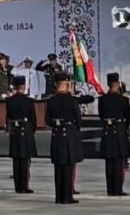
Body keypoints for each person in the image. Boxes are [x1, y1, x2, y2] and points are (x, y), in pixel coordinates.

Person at [46, 73, 82, 204]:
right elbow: (78, 119)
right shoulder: (72, 100)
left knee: (58, 167)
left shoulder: (51, 101)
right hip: (69, 135)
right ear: (66, 84)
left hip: (57, 135)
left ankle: (59, 196)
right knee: (68, 167)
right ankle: (67, 196)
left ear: (56, 84)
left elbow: (48, 120)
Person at [98, 72, 130, 196]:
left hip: (107, 131)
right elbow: (127, 118)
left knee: (109, 162)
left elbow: (101, 116)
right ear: (117, 84)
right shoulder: (123, 100)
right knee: (118, 162)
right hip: (119, 131)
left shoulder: (103, 100)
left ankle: (110, 189)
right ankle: (118, 189)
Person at [6, 75, 36, 194]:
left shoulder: (9, 101)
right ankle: (24, 185)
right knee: (25, 160)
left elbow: (8, 116)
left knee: (16, 160)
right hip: (26, 129)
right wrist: (31, 131)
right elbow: (33, 119)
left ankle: (17, 186)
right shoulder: (28, 101)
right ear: (24, 86)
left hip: (14, 131)